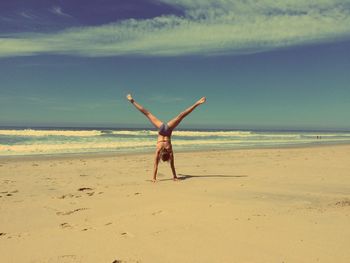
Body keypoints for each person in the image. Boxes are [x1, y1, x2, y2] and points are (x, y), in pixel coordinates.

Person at [126, 94, 206, 182]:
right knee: (148, 114)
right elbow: (159, 165)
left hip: (167, 130)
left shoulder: (168, 150)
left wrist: (155, 178)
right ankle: (132, 101)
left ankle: (197, 103)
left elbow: (165, 165)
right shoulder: (162, 151)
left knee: (180, 116)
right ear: (163, 156)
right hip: (163, 129)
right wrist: (159, 177)